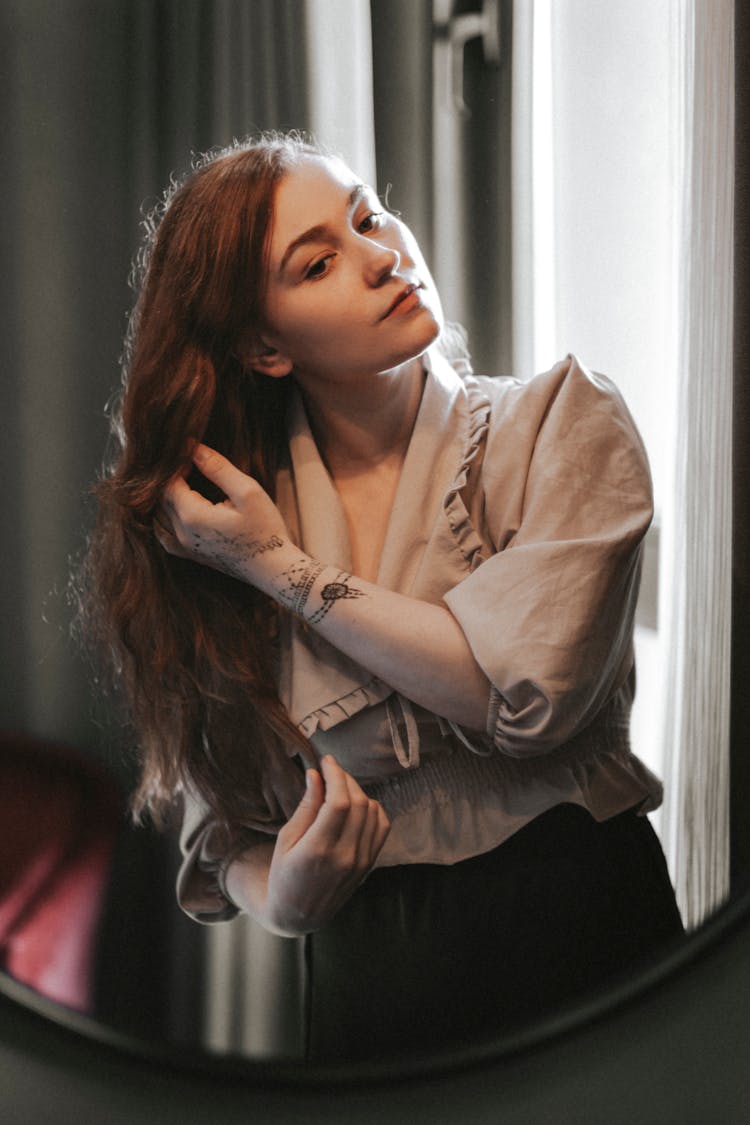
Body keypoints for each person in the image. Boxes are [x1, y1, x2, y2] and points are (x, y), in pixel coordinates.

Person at [81, 132, 684, 1063]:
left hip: (582, 929)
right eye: (320, 261)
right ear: (262, 344)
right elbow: (224, 827)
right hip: (370, 983)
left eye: (369, 215)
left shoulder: (559, 427)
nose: (381, 256)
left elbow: (523, 697)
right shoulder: (227, 519)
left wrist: (278, 566)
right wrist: (282, 900)